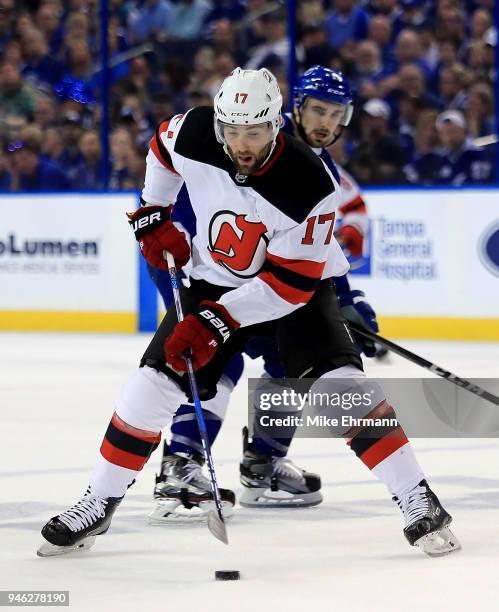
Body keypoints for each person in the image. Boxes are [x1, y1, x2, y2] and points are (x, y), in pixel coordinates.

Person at [39, 68, 459, 558]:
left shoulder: (310, 182)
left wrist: (217, 320)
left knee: (344, 388)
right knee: (146, 389)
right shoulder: (195, 130)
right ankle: (100, 499)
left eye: (254, 132)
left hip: (293, 293)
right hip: (212, 280)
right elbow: (161, 148)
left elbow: (289, 283)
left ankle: (415, 496)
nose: (242, 143)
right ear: (219, 124)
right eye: (233, 131)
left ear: (276, 125)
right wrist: (154, 211)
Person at [150, 66, 377, 521]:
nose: (325, 123)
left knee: (290, 359)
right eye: (317, 109)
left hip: (261, 273)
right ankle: (182, 462)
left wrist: (344, 300)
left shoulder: (315, 165)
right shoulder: (256, 137)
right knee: (218, 351)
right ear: (291, 108)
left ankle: (264, 462)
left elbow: (316, 244)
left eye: (335, 114)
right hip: (201, 260)